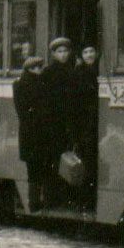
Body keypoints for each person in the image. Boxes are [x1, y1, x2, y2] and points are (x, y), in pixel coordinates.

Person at [40, 36, 77, 205]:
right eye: (59, 51)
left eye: (65, 51)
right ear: (54, 54)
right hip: (53, 122)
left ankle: (66, 195)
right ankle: (53, 196)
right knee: (54, 159)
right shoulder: (48, 72)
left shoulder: (73, 71)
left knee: (68, 158)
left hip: (68, 121)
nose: (63, 55)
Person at [13, 56, 54, 208]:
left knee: (39, 169)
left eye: (39, 67)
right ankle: (35, 203)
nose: (38, 70)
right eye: (35, 68)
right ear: (29, 69)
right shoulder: (21, 84)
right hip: (32, 134)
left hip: (38, 133)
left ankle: (39, 202)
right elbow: (22, 111)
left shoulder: (41, 83)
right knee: (35, 170)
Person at [70, 44, 100, 201]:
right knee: (86, 161)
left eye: (92, 51)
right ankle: (84, 198)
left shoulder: (99, 70)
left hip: (95, 121)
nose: (89, 55)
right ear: (81, 55)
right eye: (86, 52)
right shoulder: (79, 73)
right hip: (84, 123)